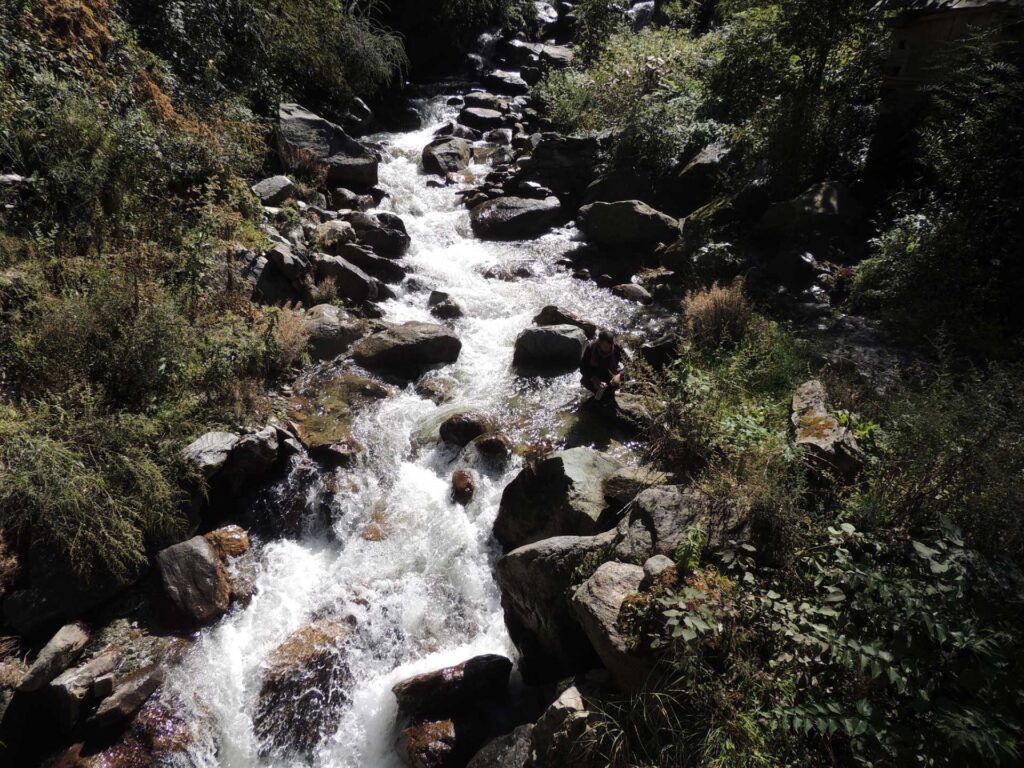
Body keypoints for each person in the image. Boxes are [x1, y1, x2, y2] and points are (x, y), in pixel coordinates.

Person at [581, 330, 626, 405]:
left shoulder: (617, 347)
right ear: (599, 343)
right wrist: (594, 379)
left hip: (612, 375)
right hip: (596, 375)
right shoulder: (591, 348)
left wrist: (620, 375)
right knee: (586, 381)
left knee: (628, 375)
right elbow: (583, 368)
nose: (608, 349)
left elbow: (629, 364)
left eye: (610, 346)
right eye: (605, 347)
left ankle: (610, 392)